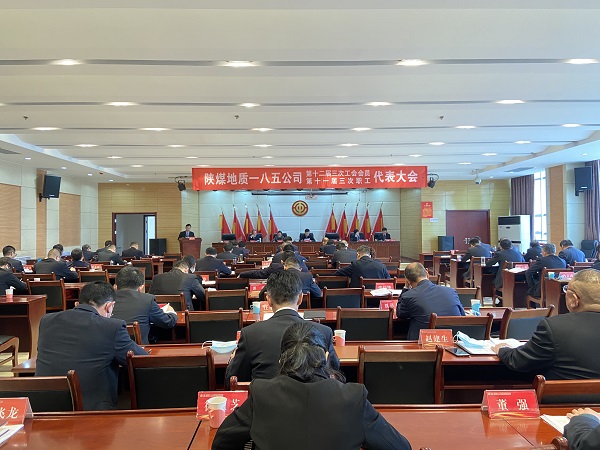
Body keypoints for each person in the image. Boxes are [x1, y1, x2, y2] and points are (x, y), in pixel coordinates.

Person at [213, 322, 411, 450]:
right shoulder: (353, 397)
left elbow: (222, 442)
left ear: (281, 359)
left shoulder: (261, 393)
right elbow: (400, 447)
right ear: (326, 357)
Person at [35, 281, 147, 410]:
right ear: (109, 306)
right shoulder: (111, 327)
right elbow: (141, 361)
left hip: (44, 406)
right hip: (91, 409)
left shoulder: (46, 320)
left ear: (77, 304)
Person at [224, 270, 338, 389]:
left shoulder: (250, 334)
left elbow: (234, 379)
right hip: (313, 399)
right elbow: (335, 372)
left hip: (265, 399)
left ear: (268, 299)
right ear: (300, 298)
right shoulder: (324, 332)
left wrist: (232, 360)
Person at [493, 269, 600, 380]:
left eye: (566, 289)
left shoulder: (555, 327)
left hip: (562, 391)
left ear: (574, 299)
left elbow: (518, 361)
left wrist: (502, 349)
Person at [397, 262, 465, 340]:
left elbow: (400, 314)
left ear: (408, 281)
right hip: (453, 341)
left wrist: (406, 288)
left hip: (424, 343)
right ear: (427, 273)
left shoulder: (408, 295)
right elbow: (462, 315)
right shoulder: (451, 291)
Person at [112, 266, 178, 344]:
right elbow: (167, 322)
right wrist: (171, 312)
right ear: (141, 287)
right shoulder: (147, 300)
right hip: (138, 349)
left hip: (108, 348)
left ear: (115, 286)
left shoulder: (105, 301)